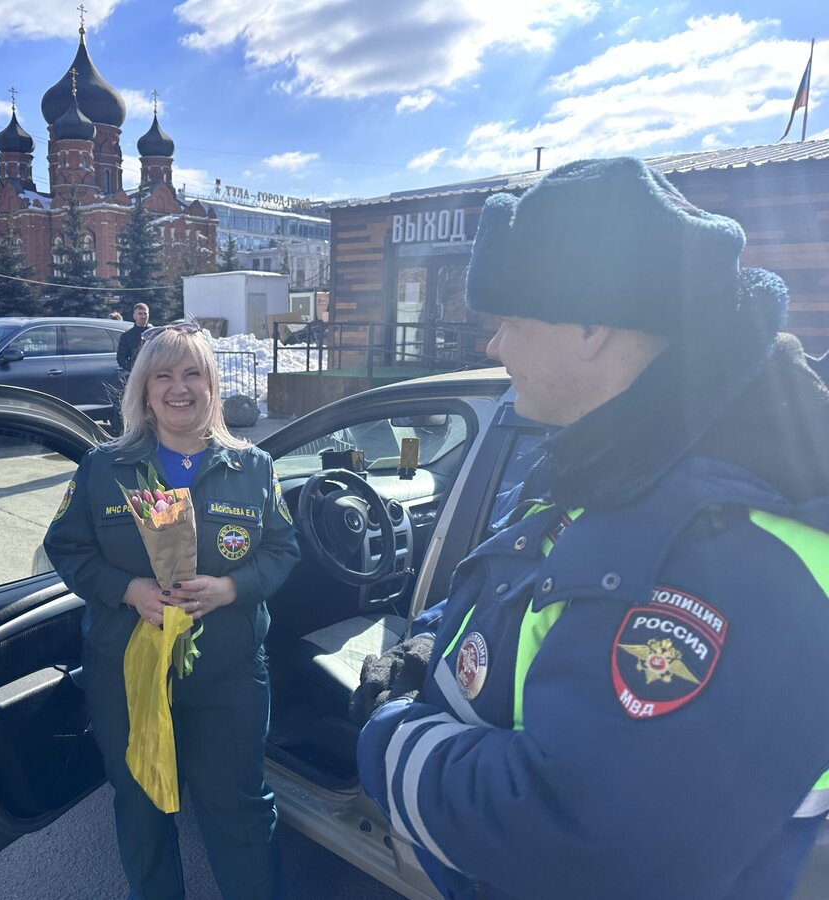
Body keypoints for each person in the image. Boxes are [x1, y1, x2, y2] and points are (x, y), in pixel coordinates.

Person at [355, 158, 829, 899]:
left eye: (509, 320)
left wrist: (389, 736)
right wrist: (434, 641)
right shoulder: (618, 458)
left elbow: (578, 836)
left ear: (589, 327)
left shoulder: (737, 546)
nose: (494, 347)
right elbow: (536, 578)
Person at [45, 323, 299, 899]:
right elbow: (67, 547)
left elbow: (284, 548)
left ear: (213, 386)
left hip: (228, 675)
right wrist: (127, 589)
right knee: (141, 806)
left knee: (238, 805)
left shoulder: (252, 467)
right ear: (144, 387)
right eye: (164, 374)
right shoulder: (104, 467)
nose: (178, 388)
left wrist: (231, 589)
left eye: (193, 374)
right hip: (127, 675)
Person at [117, 301, 151, 372]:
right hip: (137, 373)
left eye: (145, 313)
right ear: (134, 316)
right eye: (140, 314)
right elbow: (121, 359)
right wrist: (134, 369)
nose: (143, 316)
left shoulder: (155, 332)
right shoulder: (127, 336)